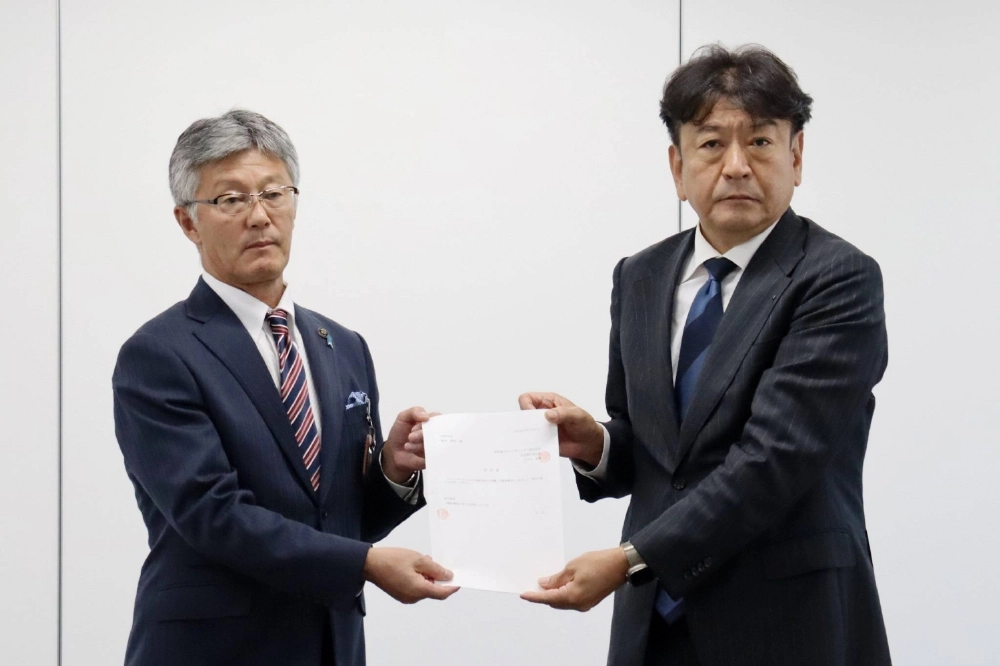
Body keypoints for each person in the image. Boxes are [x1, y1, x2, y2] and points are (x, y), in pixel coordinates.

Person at [519, 45, 891, 666]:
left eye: (762, 143)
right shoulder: (640, 276)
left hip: (788, 624)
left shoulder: (838, 278)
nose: (737, 166)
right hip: (653, 631)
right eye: (712, 143)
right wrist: (597, 445)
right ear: (677, 164)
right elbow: (663, 453)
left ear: (796, 157)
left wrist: (630, 559)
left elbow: (773, 461)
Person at [112, 110, 455, 666]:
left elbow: (336, 520)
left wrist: (393, 471)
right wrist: (365, 564)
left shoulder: (343, 345)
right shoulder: (159, 353)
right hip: (212, 649)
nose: (259, 216)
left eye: (275, 192)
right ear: (187, 222)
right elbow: (211, 514)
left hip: (332, 644)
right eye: (230, 199)